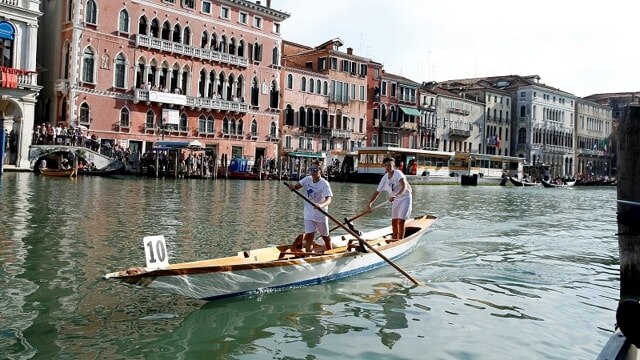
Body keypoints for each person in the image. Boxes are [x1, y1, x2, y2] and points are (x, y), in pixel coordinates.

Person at [288, 161, 333, 252]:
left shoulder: (324, 184)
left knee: (325, 237)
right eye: (311, 169)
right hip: (308, 214)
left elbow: (328, 200)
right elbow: (296, 186)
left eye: (315, 170)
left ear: (320, 171)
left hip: (320, 214)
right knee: (309, 236)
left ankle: (330, 253)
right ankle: (308, 255)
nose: (313, 172)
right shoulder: (307, 179)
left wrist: (320, 205)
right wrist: (292, 187)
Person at [367, 157, 413, 240]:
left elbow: (404, 187)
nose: (388, 167)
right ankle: (394, 240)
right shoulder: (384, 178)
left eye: (390, 165)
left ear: (394, 166)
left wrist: (397, 196)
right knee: (394, 222)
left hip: (405, 198)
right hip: (395, 199)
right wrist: (370, 204)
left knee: (401, 221)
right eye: (386, 165)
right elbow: (377, 192)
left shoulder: (398, 173)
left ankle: (400, 241)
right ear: (384, 166)